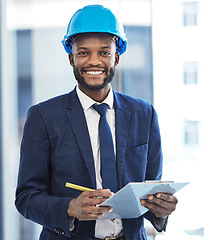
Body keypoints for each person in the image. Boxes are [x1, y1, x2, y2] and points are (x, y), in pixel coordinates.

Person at [15, 4, 178, 240]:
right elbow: (27, 197)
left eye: (104, 52)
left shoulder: (145, 114)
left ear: (117, 57)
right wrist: (70, 208)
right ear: (71, 58)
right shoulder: (43, 117)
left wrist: (162, 211)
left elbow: (151, 193)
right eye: (83, 53)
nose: (94, 61)